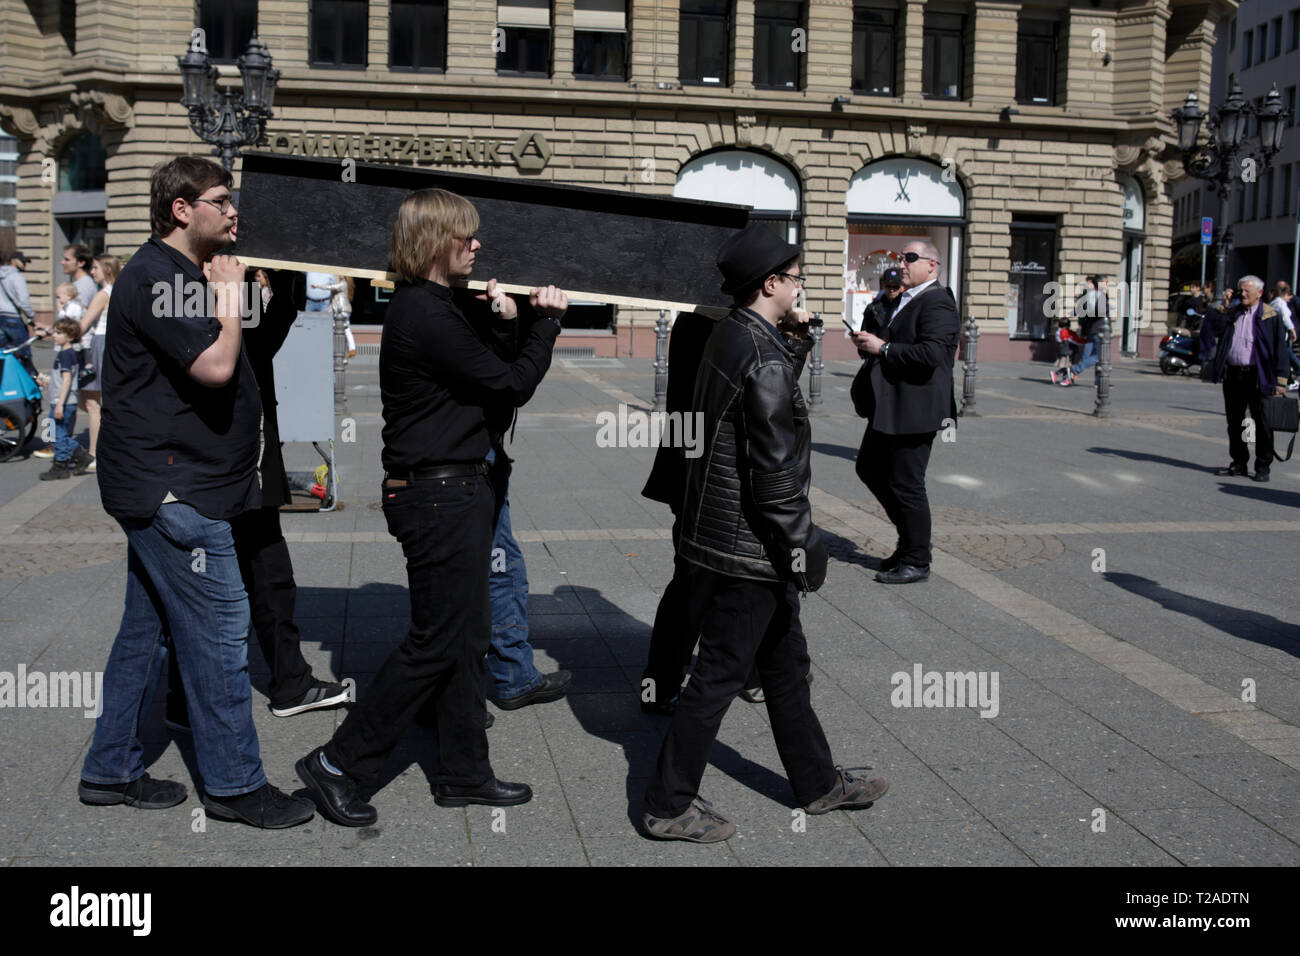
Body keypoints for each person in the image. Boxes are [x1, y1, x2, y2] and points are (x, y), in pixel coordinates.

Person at [295, 188, 566, 827]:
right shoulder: (425, 312)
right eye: (466, 236)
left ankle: (463, 773)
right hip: (437, 495)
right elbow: (510, 382)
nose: (477, 245)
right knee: (436, 644)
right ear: (435, 242)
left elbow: (492, 397)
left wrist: (508, 324)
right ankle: (338, 764)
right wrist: (547, 323)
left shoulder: (441, 306)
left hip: (452, 489)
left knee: (466, 640)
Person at [80, 156, 313, 829]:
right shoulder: (155, 278)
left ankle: (109, 769)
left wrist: (268, 278)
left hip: (186, 485)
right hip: (175, 492)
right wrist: (229, 299)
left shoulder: (196, 273)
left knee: (145, 636)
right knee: (217, 636)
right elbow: (215, 365)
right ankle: (236, 786)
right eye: (221, 199)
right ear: (182, 209)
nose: (233, 209)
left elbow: (257, 338)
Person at [641, 224, 888, 844]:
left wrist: (795, 343)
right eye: (797, 276)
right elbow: (775, 477)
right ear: (771, 283)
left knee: (784, 665)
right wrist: (806, 547)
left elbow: (753, 403)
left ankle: (817, 783)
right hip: (750, 545)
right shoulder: (760, 352)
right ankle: (667, 804)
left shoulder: (733, 334)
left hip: (719, 531)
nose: (802, 284)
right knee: (720, 675)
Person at [164, 262, 351, 728]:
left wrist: (286, 271)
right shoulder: (191, 279)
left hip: (240, 454)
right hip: (222, 454)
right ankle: (198, 693)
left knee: (258, 575)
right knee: (237, 578)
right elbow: (252, 346)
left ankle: (272, 682)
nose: (230, 216)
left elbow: (269, 333)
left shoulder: (212, 275)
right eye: (222, 204)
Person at [850, 239, 961, 584]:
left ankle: (917, 559)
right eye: (901, 257)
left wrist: (883, 348)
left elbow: (932, 355)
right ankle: (909, 542)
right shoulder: (905, 299)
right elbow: (893, 340)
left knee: (907, 484)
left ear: (931, 265)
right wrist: (871, 339)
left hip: (917, 407)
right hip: (891, 404)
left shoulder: (938, 302)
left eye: (910, 257)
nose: (903, 262)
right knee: (869, 468)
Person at [639, 309, 717, 716]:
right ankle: (662, 682)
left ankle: (766, 671)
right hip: (709, 478)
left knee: (696, 581)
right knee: (694, 583)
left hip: (690, 469)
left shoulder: (694, 318)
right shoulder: (731, 328)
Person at [1203, 275, 1290, 483]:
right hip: (1234, 374)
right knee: (1235, 422)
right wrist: (1222, 306)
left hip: (1259, 376)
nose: (1242, 294)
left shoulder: (1271, 316)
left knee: (1262, 423)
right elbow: (1214, 327)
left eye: (1246, 291)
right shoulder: (1232, 313)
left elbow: (1280, 348)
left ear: (1259, 293)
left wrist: (1281, 380)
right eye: (1240, 291)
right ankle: (1239, 462)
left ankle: (1263, 465)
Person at [71, 253, 121, 474]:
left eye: (95, 268)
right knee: (93, 402)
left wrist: (59, 332)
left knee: (92, 404)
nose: (92, 272)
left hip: (98, 345)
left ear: (106, 270)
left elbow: (82, 326)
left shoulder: (102, 294)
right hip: (108, 344)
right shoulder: (118, 290)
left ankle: (94, 454)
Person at [38, 319, 83, 481]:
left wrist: (59, 405)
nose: (54, 335)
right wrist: (48, 381)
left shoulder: (66, 355)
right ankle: (81, 456)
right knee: (59, 434)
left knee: (57, 435)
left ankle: (61, 466)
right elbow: (61, 379)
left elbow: (67, 381)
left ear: (70, 336)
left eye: (58, 333)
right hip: (62, 401)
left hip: (62, 402)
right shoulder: (66, 353)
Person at [0, 248, 38, 379]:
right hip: (13, 318)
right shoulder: (17, 277)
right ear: (13, 261)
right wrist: (32, 316)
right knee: (24, 352)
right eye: (22, 261)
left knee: (3, 353)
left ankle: (5, 381)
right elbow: (23, 301)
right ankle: (31, 381)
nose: (24, 264)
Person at [1066, 275, 1108, 384]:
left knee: (1095, 356)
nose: (1106, 284)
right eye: (1105, 282)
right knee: (1098, 356)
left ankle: (1098, 381)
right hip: (1097, 330)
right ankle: (1073, 371)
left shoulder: (1096, 295)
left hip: (1094, 330)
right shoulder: (1095, 295)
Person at [1052, 318, 1086, 386]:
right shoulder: (1066, 331)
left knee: (1067, 366)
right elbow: (1073, 339)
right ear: (1068, 325)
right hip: (1068, 352)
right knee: (1068, 367)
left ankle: (1062, 377)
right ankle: (1059, 376)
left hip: (1062, 351)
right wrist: (1084, 342)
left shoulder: (1058, 331)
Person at [62, 244, 97, 309]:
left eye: (67, 260)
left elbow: (79, 315)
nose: (62, 262)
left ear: (81, 263)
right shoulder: (80, 283)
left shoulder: (84, 285)